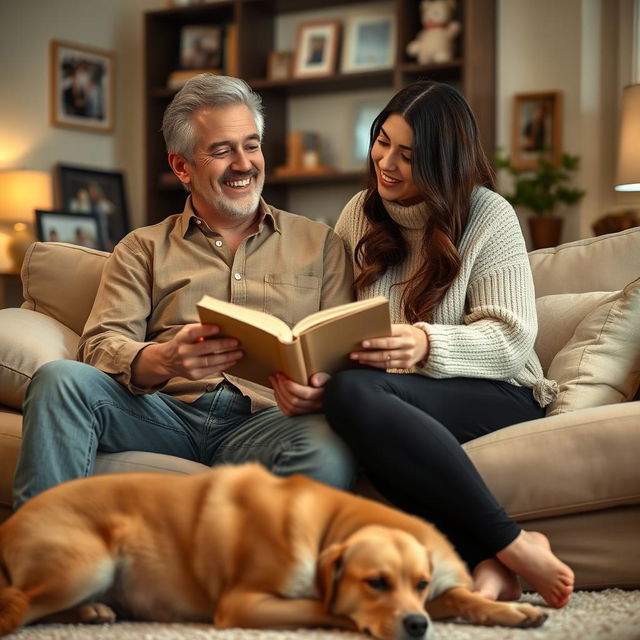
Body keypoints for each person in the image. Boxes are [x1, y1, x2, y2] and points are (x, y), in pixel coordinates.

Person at [270, 81, 575, 609]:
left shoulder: (488, 215)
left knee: (357, 396)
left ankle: (511, 543)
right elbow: (339, 328)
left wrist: (424, 344)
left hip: (498, 392)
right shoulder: (359, 214)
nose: (385, 162)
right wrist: (312, 381)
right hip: (391, 398)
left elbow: (511, 339)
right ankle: (486, 558)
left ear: (442, 161)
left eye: (408, 155)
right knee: (348, 395)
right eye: (382, 141)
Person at [13, 74, 356, 509]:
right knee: (60, 379)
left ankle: (267, 579)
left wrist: (321, 388)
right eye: (221, 150)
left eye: (251, 145)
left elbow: (341, 352)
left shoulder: (321, 243)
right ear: (181, 167)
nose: (244, 163)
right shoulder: (142, 247)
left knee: (326, 446)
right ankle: (39, 560)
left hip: (270, 421)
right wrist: (165, 358)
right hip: (162, 413)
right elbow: (100, 345)